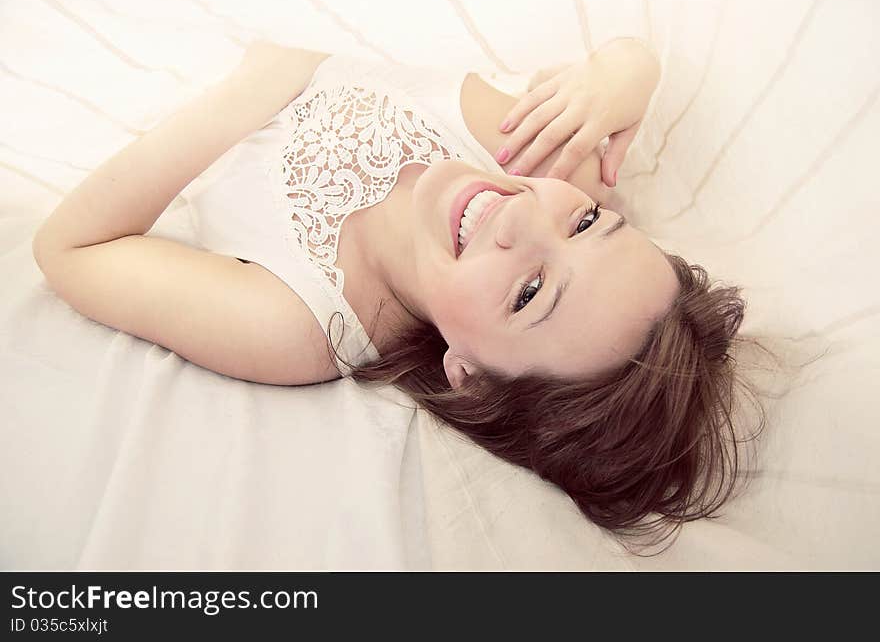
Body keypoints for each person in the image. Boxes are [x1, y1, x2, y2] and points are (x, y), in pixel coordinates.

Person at [31, 38, 765, 548]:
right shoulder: (520, 154)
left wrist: (261, 87)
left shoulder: (300, 321)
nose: (521, 213)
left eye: (531, 290)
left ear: (469, 374)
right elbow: (627, 59)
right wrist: (627, 74)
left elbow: (69, 249)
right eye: (585, 221)